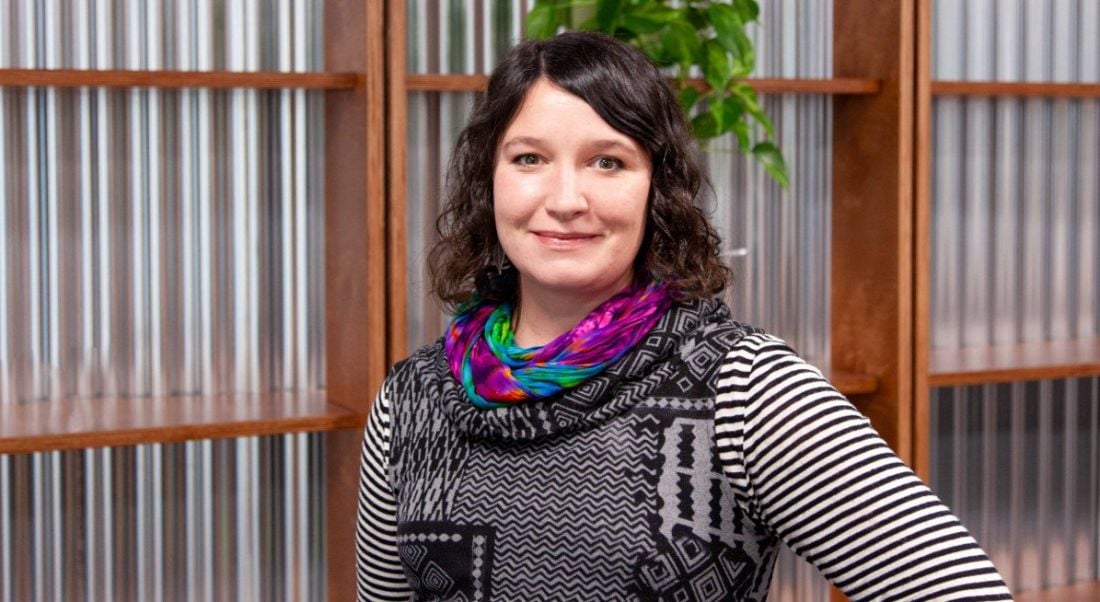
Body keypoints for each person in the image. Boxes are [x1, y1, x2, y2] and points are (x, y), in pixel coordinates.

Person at [356, 31, 1011, 601]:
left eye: (607, 162)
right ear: (489, 180)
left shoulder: (744, 388)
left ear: (658, 190)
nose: (565, 199)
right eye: (529, 159)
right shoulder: (412, 399)